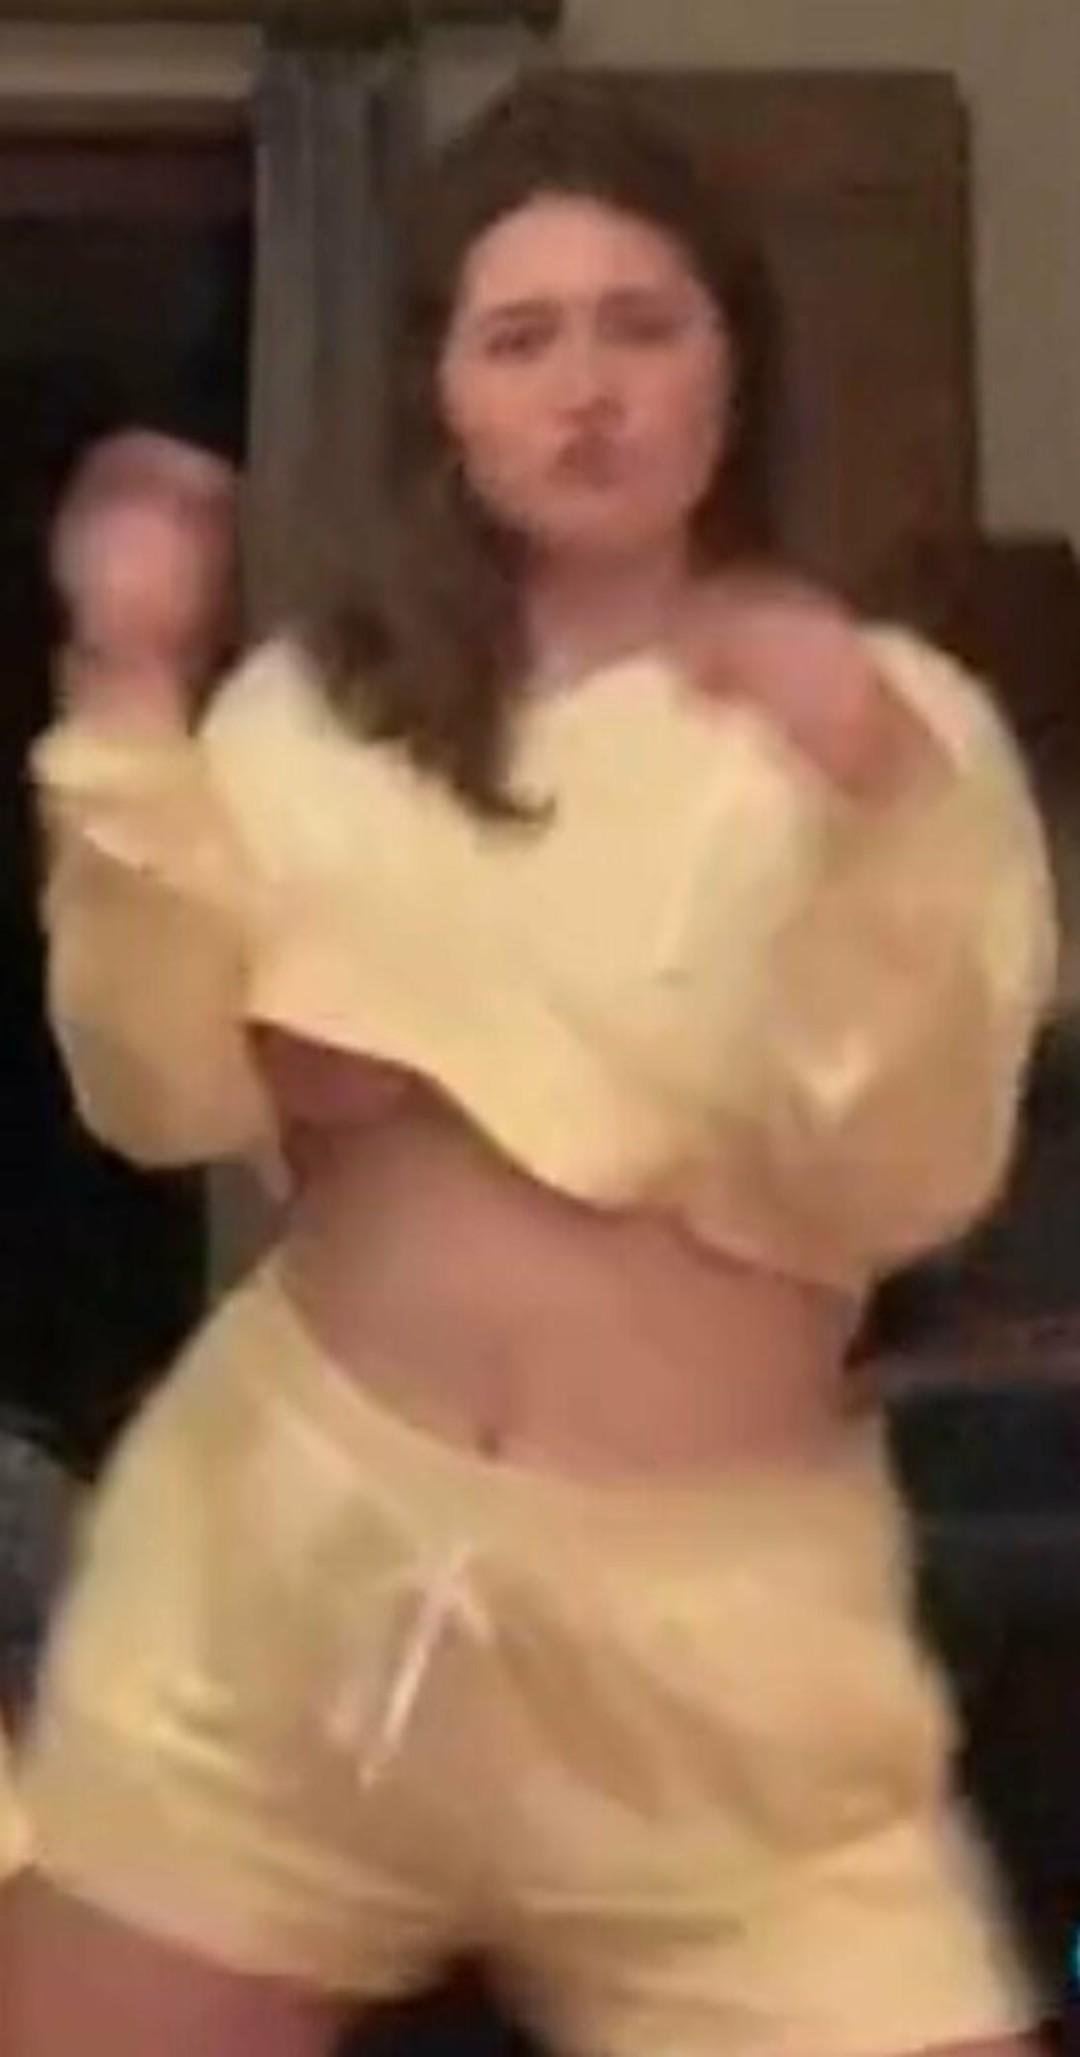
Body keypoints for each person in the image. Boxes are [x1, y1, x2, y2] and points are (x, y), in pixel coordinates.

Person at [9, 74, 1057, 2057]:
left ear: (730, 366)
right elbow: (158, 1095)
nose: (588, 390)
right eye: (522, 338)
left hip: (717, 1667)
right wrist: (129, 699)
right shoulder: (316, 719)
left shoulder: (897, 720)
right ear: (446, 399)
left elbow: (909, 1174)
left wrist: (873, 802)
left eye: (641, 326)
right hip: (289, 1579)